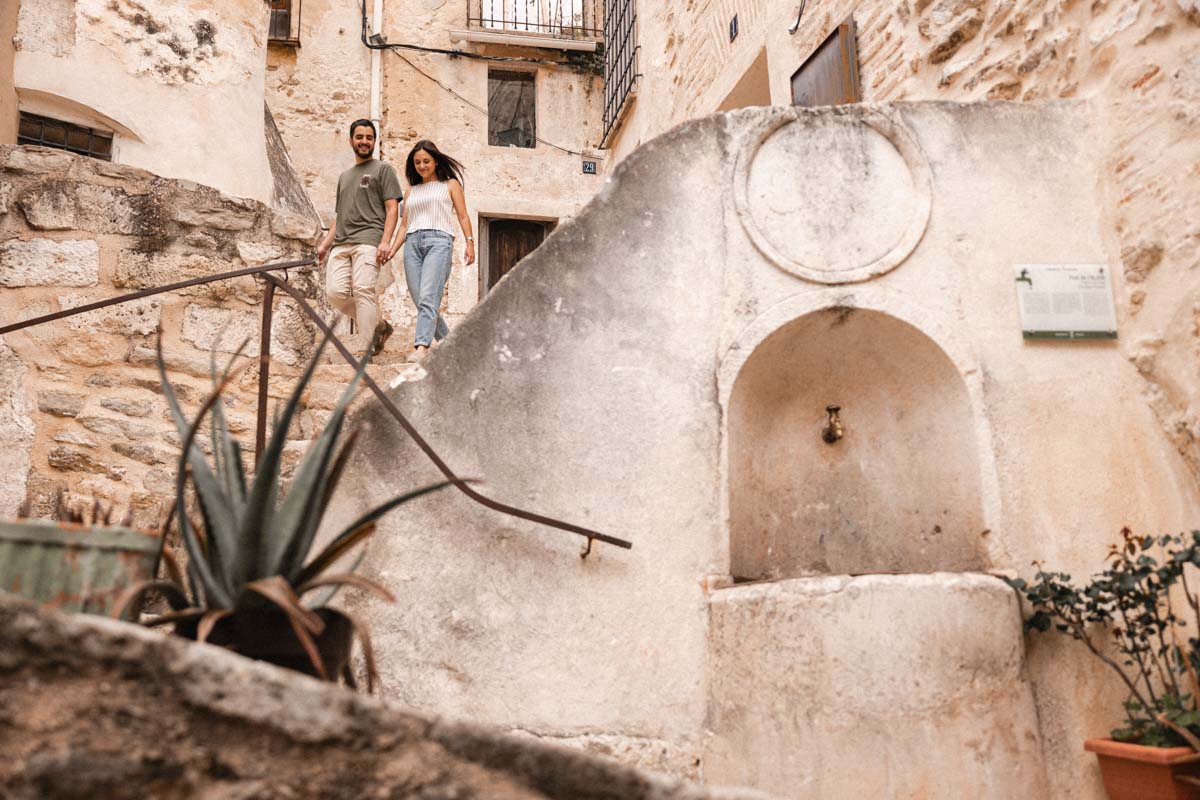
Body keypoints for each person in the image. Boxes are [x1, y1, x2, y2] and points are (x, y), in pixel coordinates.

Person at [316, 119, 402, 357]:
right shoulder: (344, 177)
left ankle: (365, 350)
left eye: (369, 138)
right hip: (341, 244)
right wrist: (324, 245)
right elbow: (340, 216)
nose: (364, 141)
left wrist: (385, 241)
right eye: (360, 137)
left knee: (363, 290)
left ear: (374, 141)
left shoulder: (383, 169)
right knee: (334, 294)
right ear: (351, 140)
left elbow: (392, 209)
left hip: (369, 240)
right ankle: (379, 325)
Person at [395, 140, 475, 360]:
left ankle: (422, 347)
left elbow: (463, 215)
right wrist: (391, 250)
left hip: (439, 242)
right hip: (412, 244)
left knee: (428, 297)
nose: (422, 166)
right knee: (421, 300)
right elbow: (403, 225)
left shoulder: (450, 185)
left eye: (426, 161)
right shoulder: (411, 191)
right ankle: (453, 347)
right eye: (417, 162)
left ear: (436, 161)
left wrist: (470, 242)